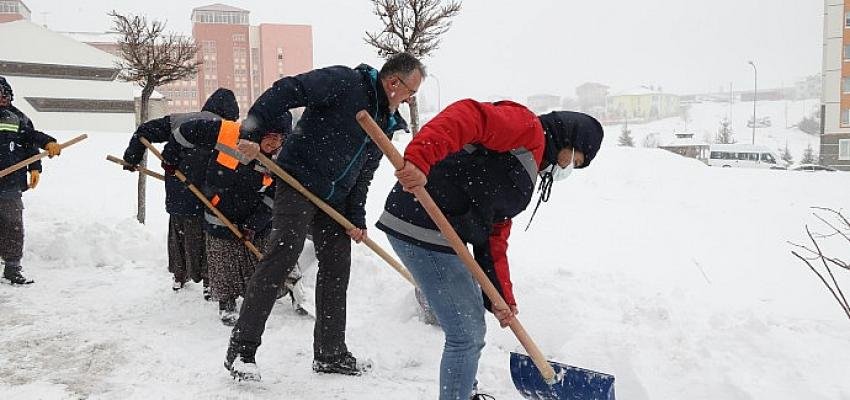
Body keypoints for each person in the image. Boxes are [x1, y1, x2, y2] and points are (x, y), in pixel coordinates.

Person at [375, 99, 604, 400]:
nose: (569, 168)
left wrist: (501, 297)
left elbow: (494, 233)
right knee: (466, 333)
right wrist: (419, 158)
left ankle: (463, 391)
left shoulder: (530, 164)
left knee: (469, 327)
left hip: (439, 231)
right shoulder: (527, 129)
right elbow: (468, 114)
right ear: (570, 140)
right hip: (422, 222)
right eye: (576, 160)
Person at [224, 52, 424, 381]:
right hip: (297, 180)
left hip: (336, 199)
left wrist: (356, 219)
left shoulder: (386, 123)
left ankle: (330, 353)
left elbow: (364, 174)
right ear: (393, 83)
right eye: (410, 92)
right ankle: (242, 350)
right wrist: (252, 130)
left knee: (336, 265)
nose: (410, 99)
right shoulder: (345, 82)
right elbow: (289, 89)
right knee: (283, 253)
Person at [170, 113, 307, 325]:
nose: (274, 143)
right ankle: (226, 301)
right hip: (220, 204)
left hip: (257, 208)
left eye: (280, 138)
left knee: (272, 252)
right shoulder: (228, 132)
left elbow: (277, 195)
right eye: (270, 136)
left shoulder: (286, 156)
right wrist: (171, 156)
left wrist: (254, 223)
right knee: (222, 256)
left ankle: (295, 292)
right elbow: (183, 133)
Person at [122, 88, 238, 298]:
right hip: (209, 193)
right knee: (208, 237)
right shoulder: (225, 129)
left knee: (178, 232)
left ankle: (179, 275)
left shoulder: (180, 119)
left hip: (178, 189)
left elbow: (144, 131)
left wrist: (132, 157)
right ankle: (209, 281)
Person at [0, 76, 61, 285]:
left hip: (10, 184)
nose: (2, 99)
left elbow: (30, 142)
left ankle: (12, 267)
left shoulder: (18, 118)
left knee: (13, 225)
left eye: (5, 95)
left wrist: (46, 147)